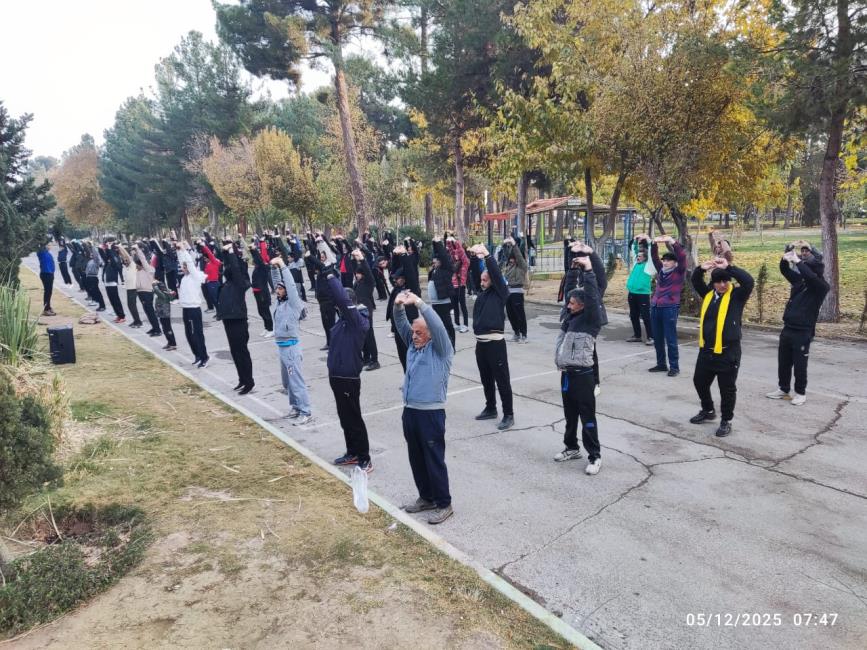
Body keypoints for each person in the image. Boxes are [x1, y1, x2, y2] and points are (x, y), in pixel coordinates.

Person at [393, 290, 455, 524]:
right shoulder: (412, 345)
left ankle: (444, 503)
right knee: (416, 457)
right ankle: (426, 497)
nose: (415, 336)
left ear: (430, 335)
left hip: (431, 414)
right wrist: (398, 305)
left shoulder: (441, 349)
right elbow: (400, 323)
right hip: (410, 411)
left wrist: (419, 303)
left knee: (433, 458)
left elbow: (437, 325)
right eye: (414, 333)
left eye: (420, 333)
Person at [689, 258, 754, 437]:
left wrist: (729, 268)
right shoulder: (709, 294)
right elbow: (695, 280)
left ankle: (726, 420)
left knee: (727, 389)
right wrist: (701, 269)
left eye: (726, 280)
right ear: (713, 283)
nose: (723, 284)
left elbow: (748, 281)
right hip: (707, 351)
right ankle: (708, 410)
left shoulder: (737, 296)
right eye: (719, 281)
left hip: (728, 352)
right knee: (699, 382)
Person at [553, 255, 603, 475]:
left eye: (573, 303)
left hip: (583, 376)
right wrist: (574, 270)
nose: (569, 305)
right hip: (567, 376)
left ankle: (595, 456)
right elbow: (570, 291)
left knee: (587, 418)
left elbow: (592, 295)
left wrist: (589, 270)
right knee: (570, 415)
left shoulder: (591, 319)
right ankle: (571, 448)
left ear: (583, 305)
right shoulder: (569, 316)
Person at [766, 242, 830, 406]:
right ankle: (783, 388)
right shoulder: (800, 282)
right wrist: (785, 257)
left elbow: (810, 275)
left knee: (800, 365)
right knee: (784, 362)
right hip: (788, 328)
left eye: (806, 265)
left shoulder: (821, 287)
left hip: (804, 331)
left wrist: (799, 261)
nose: (803, 268)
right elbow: (785, 270)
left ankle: (800, 393)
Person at [323, 269, 373, 472]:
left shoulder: (357, 321)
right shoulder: (341, 322)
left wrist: (330, 276)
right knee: (344, 417)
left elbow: (343, 301)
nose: (338, 307)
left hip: (349, 377)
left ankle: (364, 457)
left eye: (341, 304)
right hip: (335, 375)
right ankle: (352, 452)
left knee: (354, 418)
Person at [469, 244, 514, 430]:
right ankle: (490, 407)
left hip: (495, 344)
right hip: (481, 345)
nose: (482, 282)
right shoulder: (482, 294)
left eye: (486, 279)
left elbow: (495, 274)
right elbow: (473, 276)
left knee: (502, 380)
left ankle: (509, 414)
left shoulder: (500, 293)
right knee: (486, 378)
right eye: (482, 279)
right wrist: (474, 258)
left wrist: (487, 256)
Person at [270, 257, 313, 425]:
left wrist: (282, 266)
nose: (278, 290)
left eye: (281, 288)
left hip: (291, 349)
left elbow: (291, 285)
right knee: (287, 383)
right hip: (282, 348)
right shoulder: (279, 303)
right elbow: (276, 281)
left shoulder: (294, 304)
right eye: (278, 288)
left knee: (296, 382)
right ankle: (295, 407)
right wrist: (273, 268)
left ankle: (305, 411)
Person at [646, 234, 687, 376]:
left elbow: (682, 256)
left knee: (670, 339)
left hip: (669, 308)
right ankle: (661, 364)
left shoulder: (679, 272)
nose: (665, 262)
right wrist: (653, 243)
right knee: (657, 338)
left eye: (669, 260)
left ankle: (674, 367)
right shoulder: (661, 271)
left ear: (675, 263)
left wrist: (671, 241)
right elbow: (654, 257)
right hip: (656, 307)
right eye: (664, 260)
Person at [218, 242, 255, 394]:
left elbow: (235, 267)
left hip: (238, 320)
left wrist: (232, 253)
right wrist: (225, 253)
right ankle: (241, 379)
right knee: (234, 352)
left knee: (242, 352)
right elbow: (226, 264)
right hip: (228, 319)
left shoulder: (240, 283)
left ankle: (249, 382)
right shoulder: (227, 284)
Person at [176, 244, 209, 368]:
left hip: (194, 309)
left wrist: (184, 251)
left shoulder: (196, 276)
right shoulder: (184, 278)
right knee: (189, 334)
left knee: (197, 334)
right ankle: (197, 355)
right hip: (186, 309)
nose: (183, 268)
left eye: (185, 267)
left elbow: (189, 263)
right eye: (182, 267)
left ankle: (204, 357)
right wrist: (179, 251)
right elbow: (182, 261)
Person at [351, 249, 380, 371]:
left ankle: (375, 360)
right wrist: (353, 257)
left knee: (369, 336)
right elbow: (354, 267)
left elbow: (367, 271)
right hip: (359, 312)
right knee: (363, 336)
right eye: (356, 273)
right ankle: (366, 358)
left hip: (366, 312)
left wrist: (362, 259)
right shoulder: (357, 283)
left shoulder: (368, 282)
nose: (356, 275)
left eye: (358, 273)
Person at [385, 268, 418, 372]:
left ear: (404, 278)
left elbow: (410, 270)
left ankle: (412, 377)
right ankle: (406, 377)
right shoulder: (396, 289)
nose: (395, 280)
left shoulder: (410, 288)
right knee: (402, 355)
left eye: (398, 278)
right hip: (397, 328)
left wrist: (404, 254)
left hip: (407, 327)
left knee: (409, 354)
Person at [428, 237, 456, 348]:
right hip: (435, 303)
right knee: (437, 326)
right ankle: (440, 344)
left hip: (443, 303)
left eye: (437, 260)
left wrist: (439, 243)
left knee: (447, 325)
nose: (434, 261)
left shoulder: (447, 269)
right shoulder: (434, 270)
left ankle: (451, 345)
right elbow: (437, 254)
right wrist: (434, 243)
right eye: (434, 260)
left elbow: (443, 256)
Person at [501, 236, 529, 343]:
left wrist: (514, 245)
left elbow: (518, 255)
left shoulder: (521, 266)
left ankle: (524, 334)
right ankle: (516, 333)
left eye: (513, 258)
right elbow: (506, 254)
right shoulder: (508, 266)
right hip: (508, 293)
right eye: (510, 258)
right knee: (511, 314)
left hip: (517, 292)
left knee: (519, 315)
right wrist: (504, 245)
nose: (511, 259)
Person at [626, 238, 653, 344]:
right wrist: (635, 240)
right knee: (633, 316)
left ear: (645, 258)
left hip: (643, 295)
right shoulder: (636, 264)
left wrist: (649, 241)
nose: (638, 257)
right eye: (637, 256)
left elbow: (651, 254)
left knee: (646, 316)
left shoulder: (648, 266)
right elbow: (633, 250)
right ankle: (637, 335)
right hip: (632, 293)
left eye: (640, 256)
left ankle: (651, 337)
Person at [133, 244, 161, 336]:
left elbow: (143, 259)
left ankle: (157, 330)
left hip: (147, 293)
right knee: (147, 312)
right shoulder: (139, 271)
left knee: (150, 312)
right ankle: (154, 327)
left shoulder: (148, 269)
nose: (136, 267)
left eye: (137, 265)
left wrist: (137, 249)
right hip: (141, 292)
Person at [249, 239, 274, 338]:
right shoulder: (257, 268)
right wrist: (251, 250)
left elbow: (259, 257)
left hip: (263, 293)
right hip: (257, 292)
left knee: (265, 311)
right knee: (260, 311)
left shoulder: (263, 268)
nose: (254, 262)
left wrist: (255, 250)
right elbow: (257, 258)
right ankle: (266, 328)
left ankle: (271, 329)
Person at [117, 245, 143, 328]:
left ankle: (138, 322)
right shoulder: (126, 267)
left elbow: (126, 256)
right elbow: (123, 257)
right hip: (129, 288)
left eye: (126, 260)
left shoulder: (132, 264)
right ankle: (136, 320)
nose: (125, 261)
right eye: (124, 261)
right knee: (130, 305)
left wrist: (120, 248)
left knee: (132, 305)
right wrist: (119, 253)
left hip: (133, 288)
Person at [447, 237, 470, 333]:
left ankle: (465, 325)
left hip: (461, 284)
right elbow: (452, 252)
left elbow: (461, 252)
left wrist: (456, 242)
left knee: (462, 305)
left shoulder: (465, 262)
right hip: (454, 284)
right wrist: (448, 241)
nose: (455, 256)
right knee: (455, 305)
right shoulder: (454, 261)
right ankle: (457, 323)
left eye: (457, 255)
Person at [101, 243, 126, 323]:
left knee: (116, 300)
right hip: (107, 282)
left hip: (112, 282)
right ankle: (118, 315)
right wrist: (102, 248)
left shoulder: (116, 260)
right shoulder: (108, 260)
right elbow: (104, 256)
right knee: (112, 300)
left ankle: (122, 316)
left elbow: (113, 259)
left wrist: (108, 249)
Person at [152, 279, 178, 351]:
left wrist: (155, 285)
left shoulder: (165, 294)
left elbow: (157, 291)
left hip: (165, 314)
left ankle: (173, 344)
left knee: (168, 329)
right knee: (165, 329)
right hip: (162, 314)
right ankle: (169, 342)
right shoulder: (165, 292)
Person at [36, 241, 56, 316]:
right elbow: (39, 246)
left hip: (50, 274)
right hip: (46, 274)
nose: (50, 246)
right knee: (47, 292)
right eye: (48, 245)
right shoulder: (42, 252)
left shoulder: (49, 253)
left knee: (49, 292)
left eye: (50, 245)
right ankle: (46, 309)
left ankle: (48, 307)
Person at [84, 243, 106, 311]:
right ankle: (97, 302)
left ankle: (102, 306)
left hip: (93, 278)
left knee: (97, 292)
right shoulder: (90, 261)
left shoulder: (96, 261)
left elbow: (96, 255)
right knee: (92, 291)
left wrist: (93, 247)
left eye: (92, 254)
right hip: (88, 277)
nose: (91, 254)